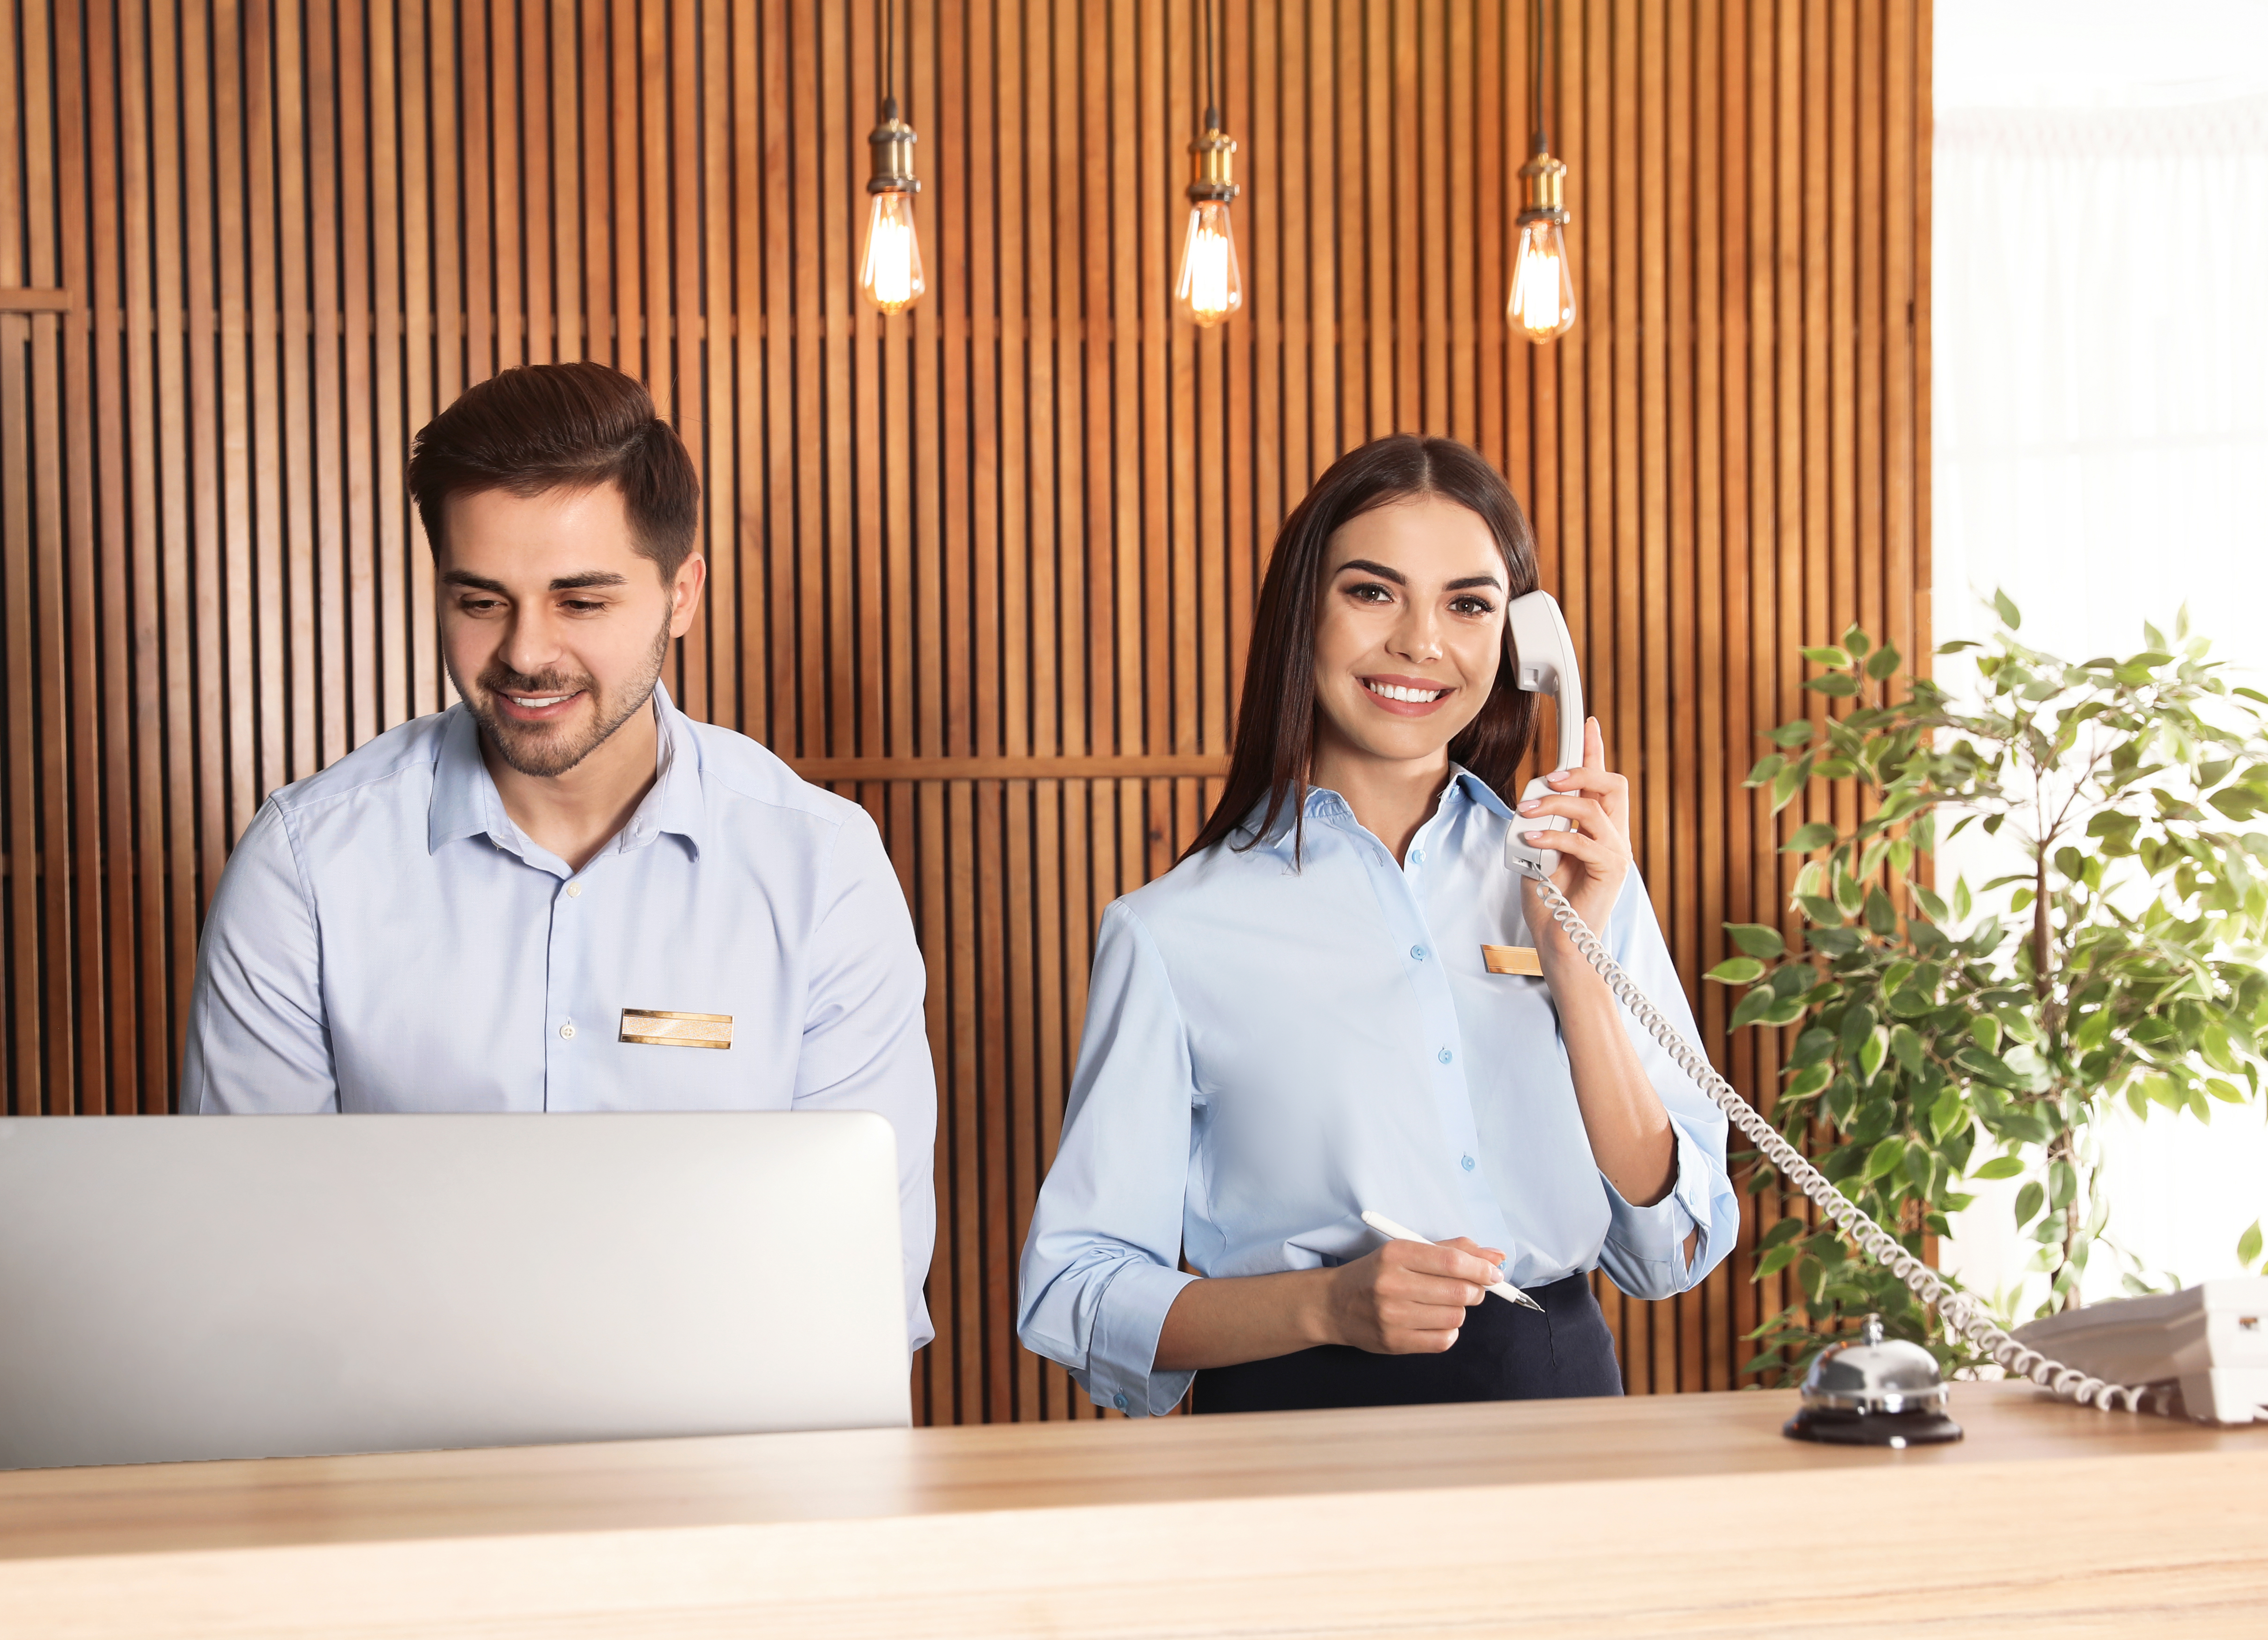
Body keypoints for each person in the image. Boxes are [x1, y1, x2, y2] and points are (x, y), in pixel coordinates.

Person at [181, 362, 938, 1347]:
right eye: (481, 600)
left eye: (581, 602)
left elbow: (858, 1286)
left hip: (735, 1478)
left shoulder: (822, 872)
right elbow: (246, 1267)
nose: (527, 654)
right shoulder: (306, 867)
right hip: (393, 1476)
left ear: (681, 594)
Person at [1015, 434, 1736, 1415]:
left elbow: (1671, 1249)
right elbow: (1075, 1288)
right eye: (1373, 591)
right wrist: (1326, 1305)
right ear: (1302, 610)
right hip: (1300, 1424)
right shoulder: (1172, 931)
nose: (1421, 643)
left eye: (1468, 604)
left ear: (1522, 644)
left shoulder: (1577, 880)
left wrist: (1574, 964)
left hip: (1559, 1405)